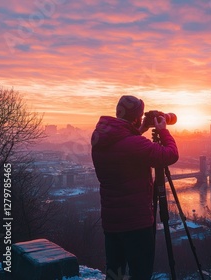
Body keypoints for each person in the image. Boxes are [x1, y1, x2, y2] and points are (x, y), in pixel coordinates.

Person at [91, 95, 179, 280]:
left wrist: (140, 129)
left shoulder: (101, 141)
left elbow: (124, 144)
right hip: (137, 224)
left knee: (115, 273)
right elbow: (170, 155)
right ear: (137, 117)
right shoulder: (136, 145)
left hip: (112, 222)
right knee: (140, 274)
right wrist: (163, 131)